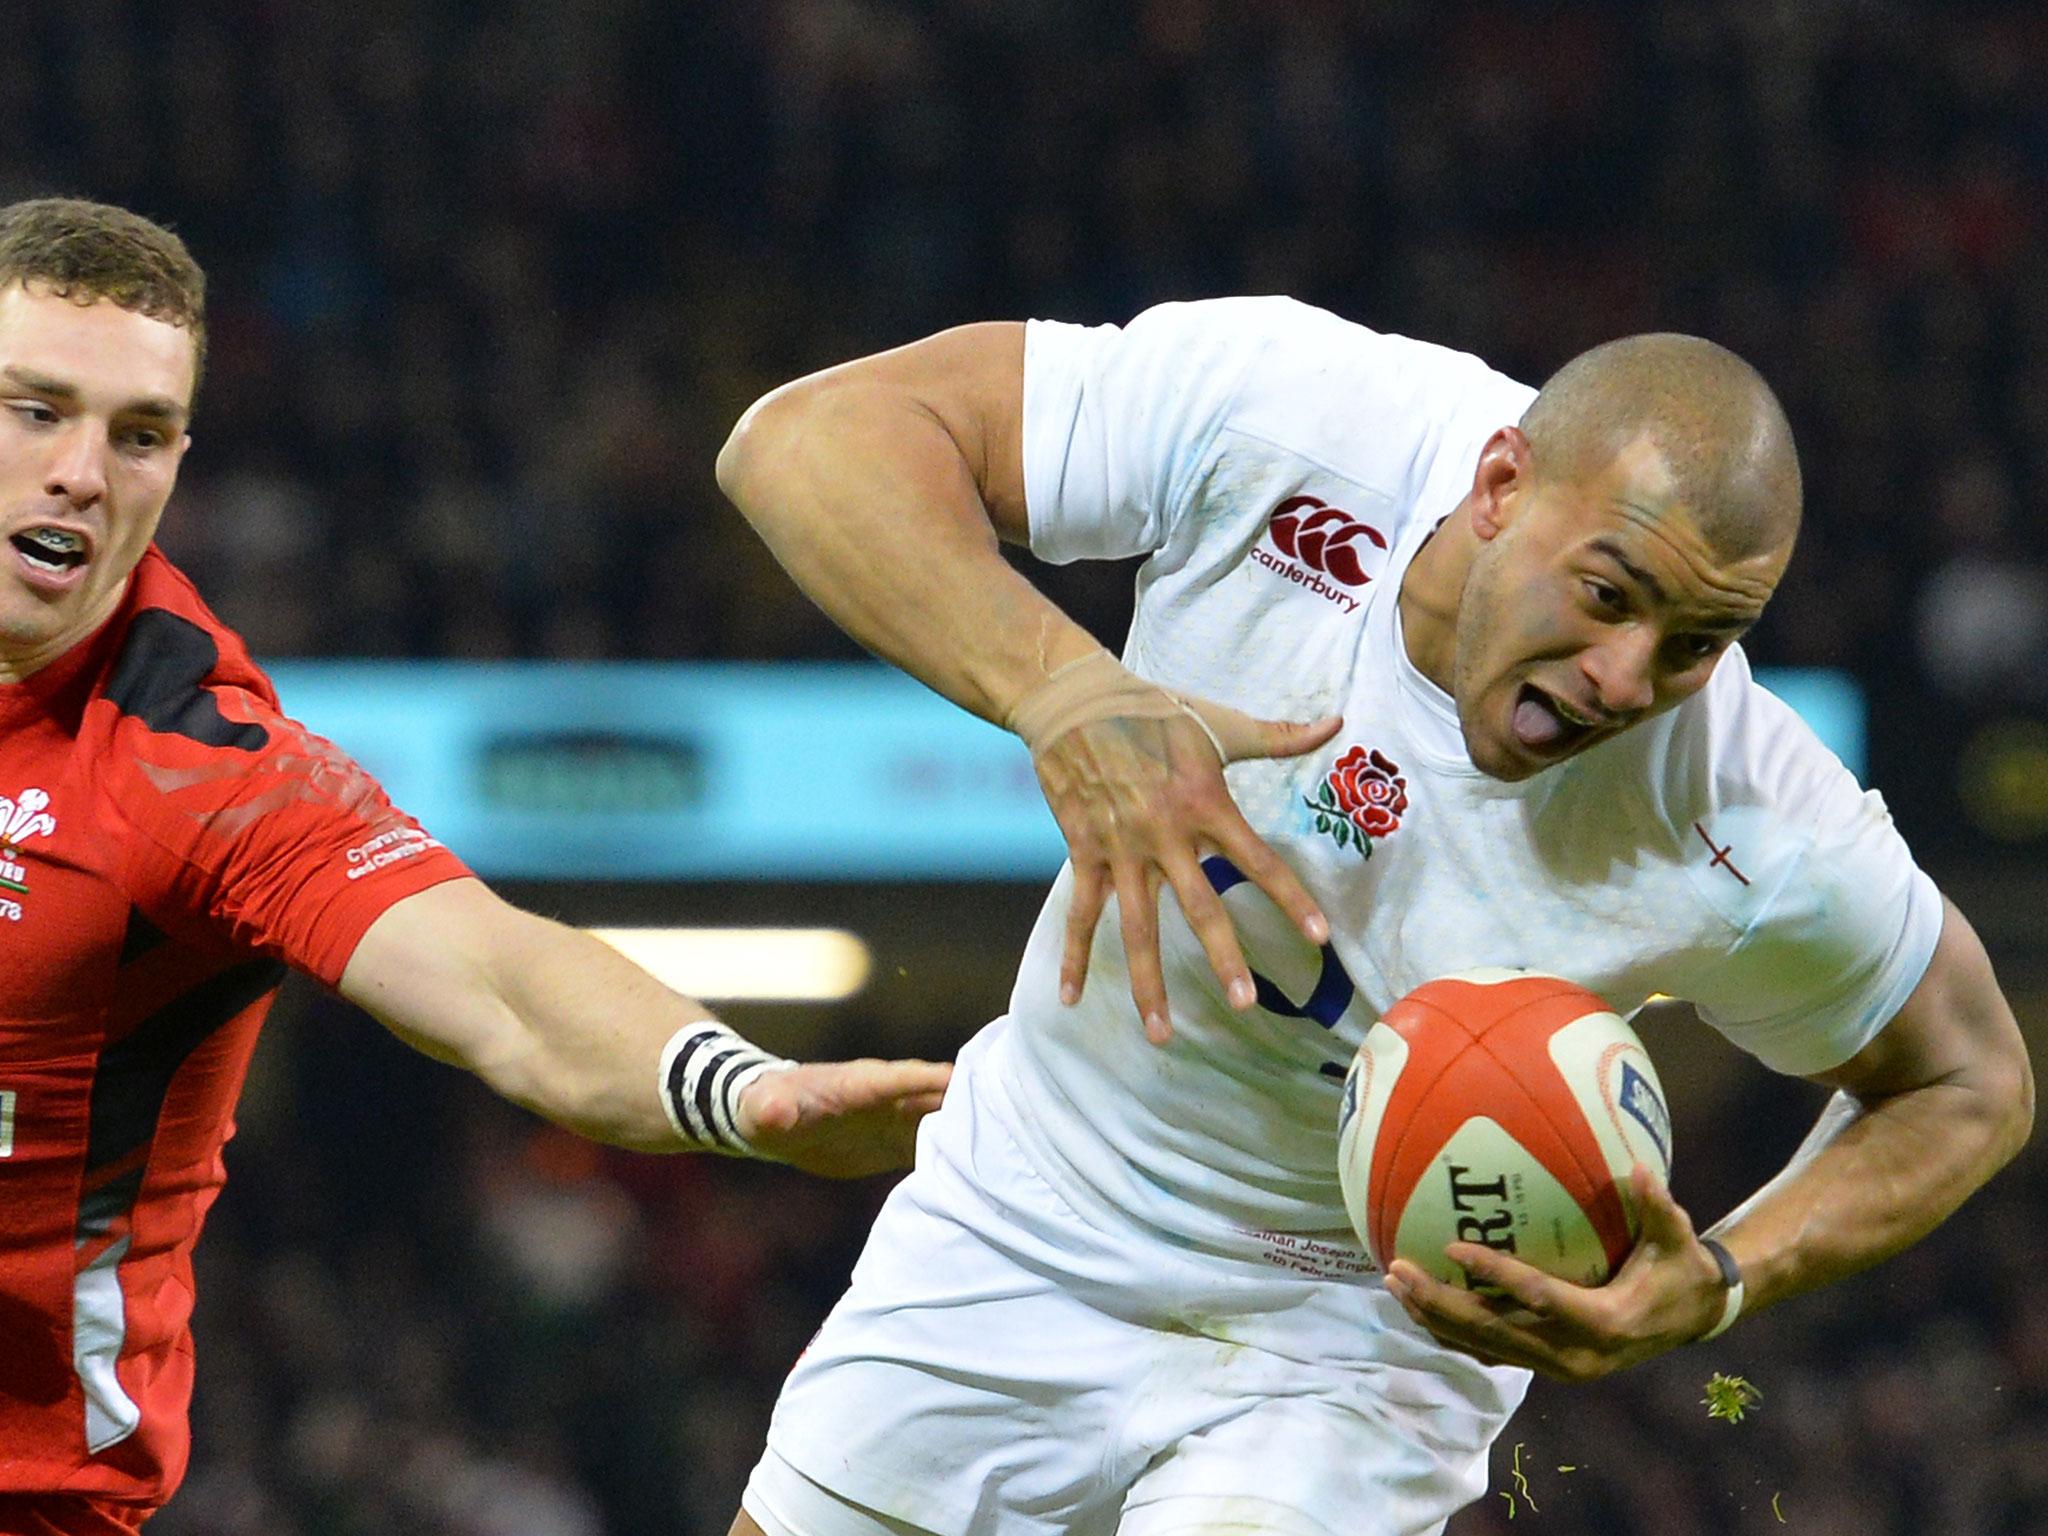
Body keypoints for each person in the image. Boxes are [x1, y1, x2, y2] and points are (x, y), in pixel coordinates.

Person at [714, 296, 2033, 1536]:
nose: (1630, 676)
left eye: (1697, 642)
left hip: (1368, 1332)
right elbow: (803, 441)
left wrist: (1727, 1278)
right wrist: (1060, 689)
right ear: (1502, 485)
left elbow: (1970, 1081)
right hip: (1035, 1202)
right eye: (1609, 594)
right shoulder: (1296, 418)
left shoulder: (1746, 805)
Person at [0, 197, 951, 1535]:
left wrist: (744, 1092)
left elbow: (497, 976)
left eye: (139, 434)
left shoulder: (196, 768)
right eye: (34, 409)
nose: (84, 473)